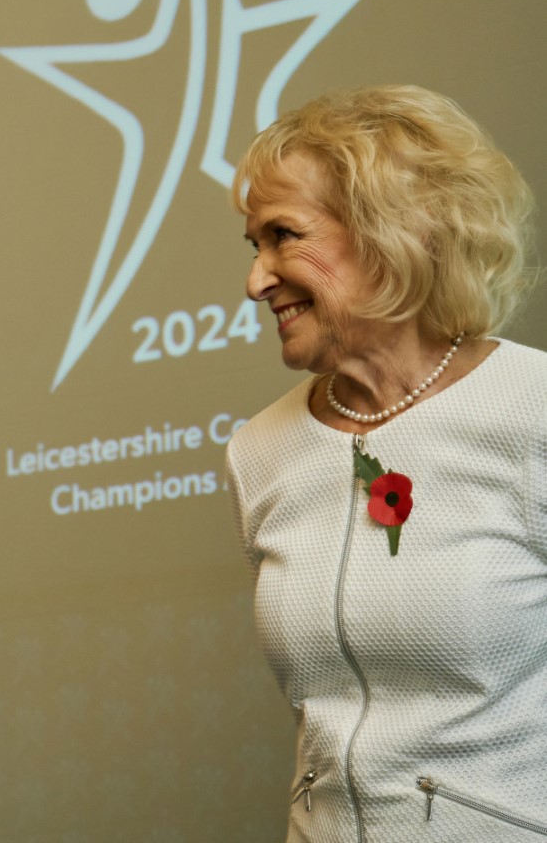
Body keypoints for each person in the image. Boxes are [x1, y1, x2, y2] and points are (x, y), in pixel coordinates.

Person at [226, 85, 547, 840]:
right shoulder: (258, 452)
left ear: (394, 231)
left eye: (284, 236)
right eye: (255, 246)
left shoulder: (535, 411)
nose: (256, 279)